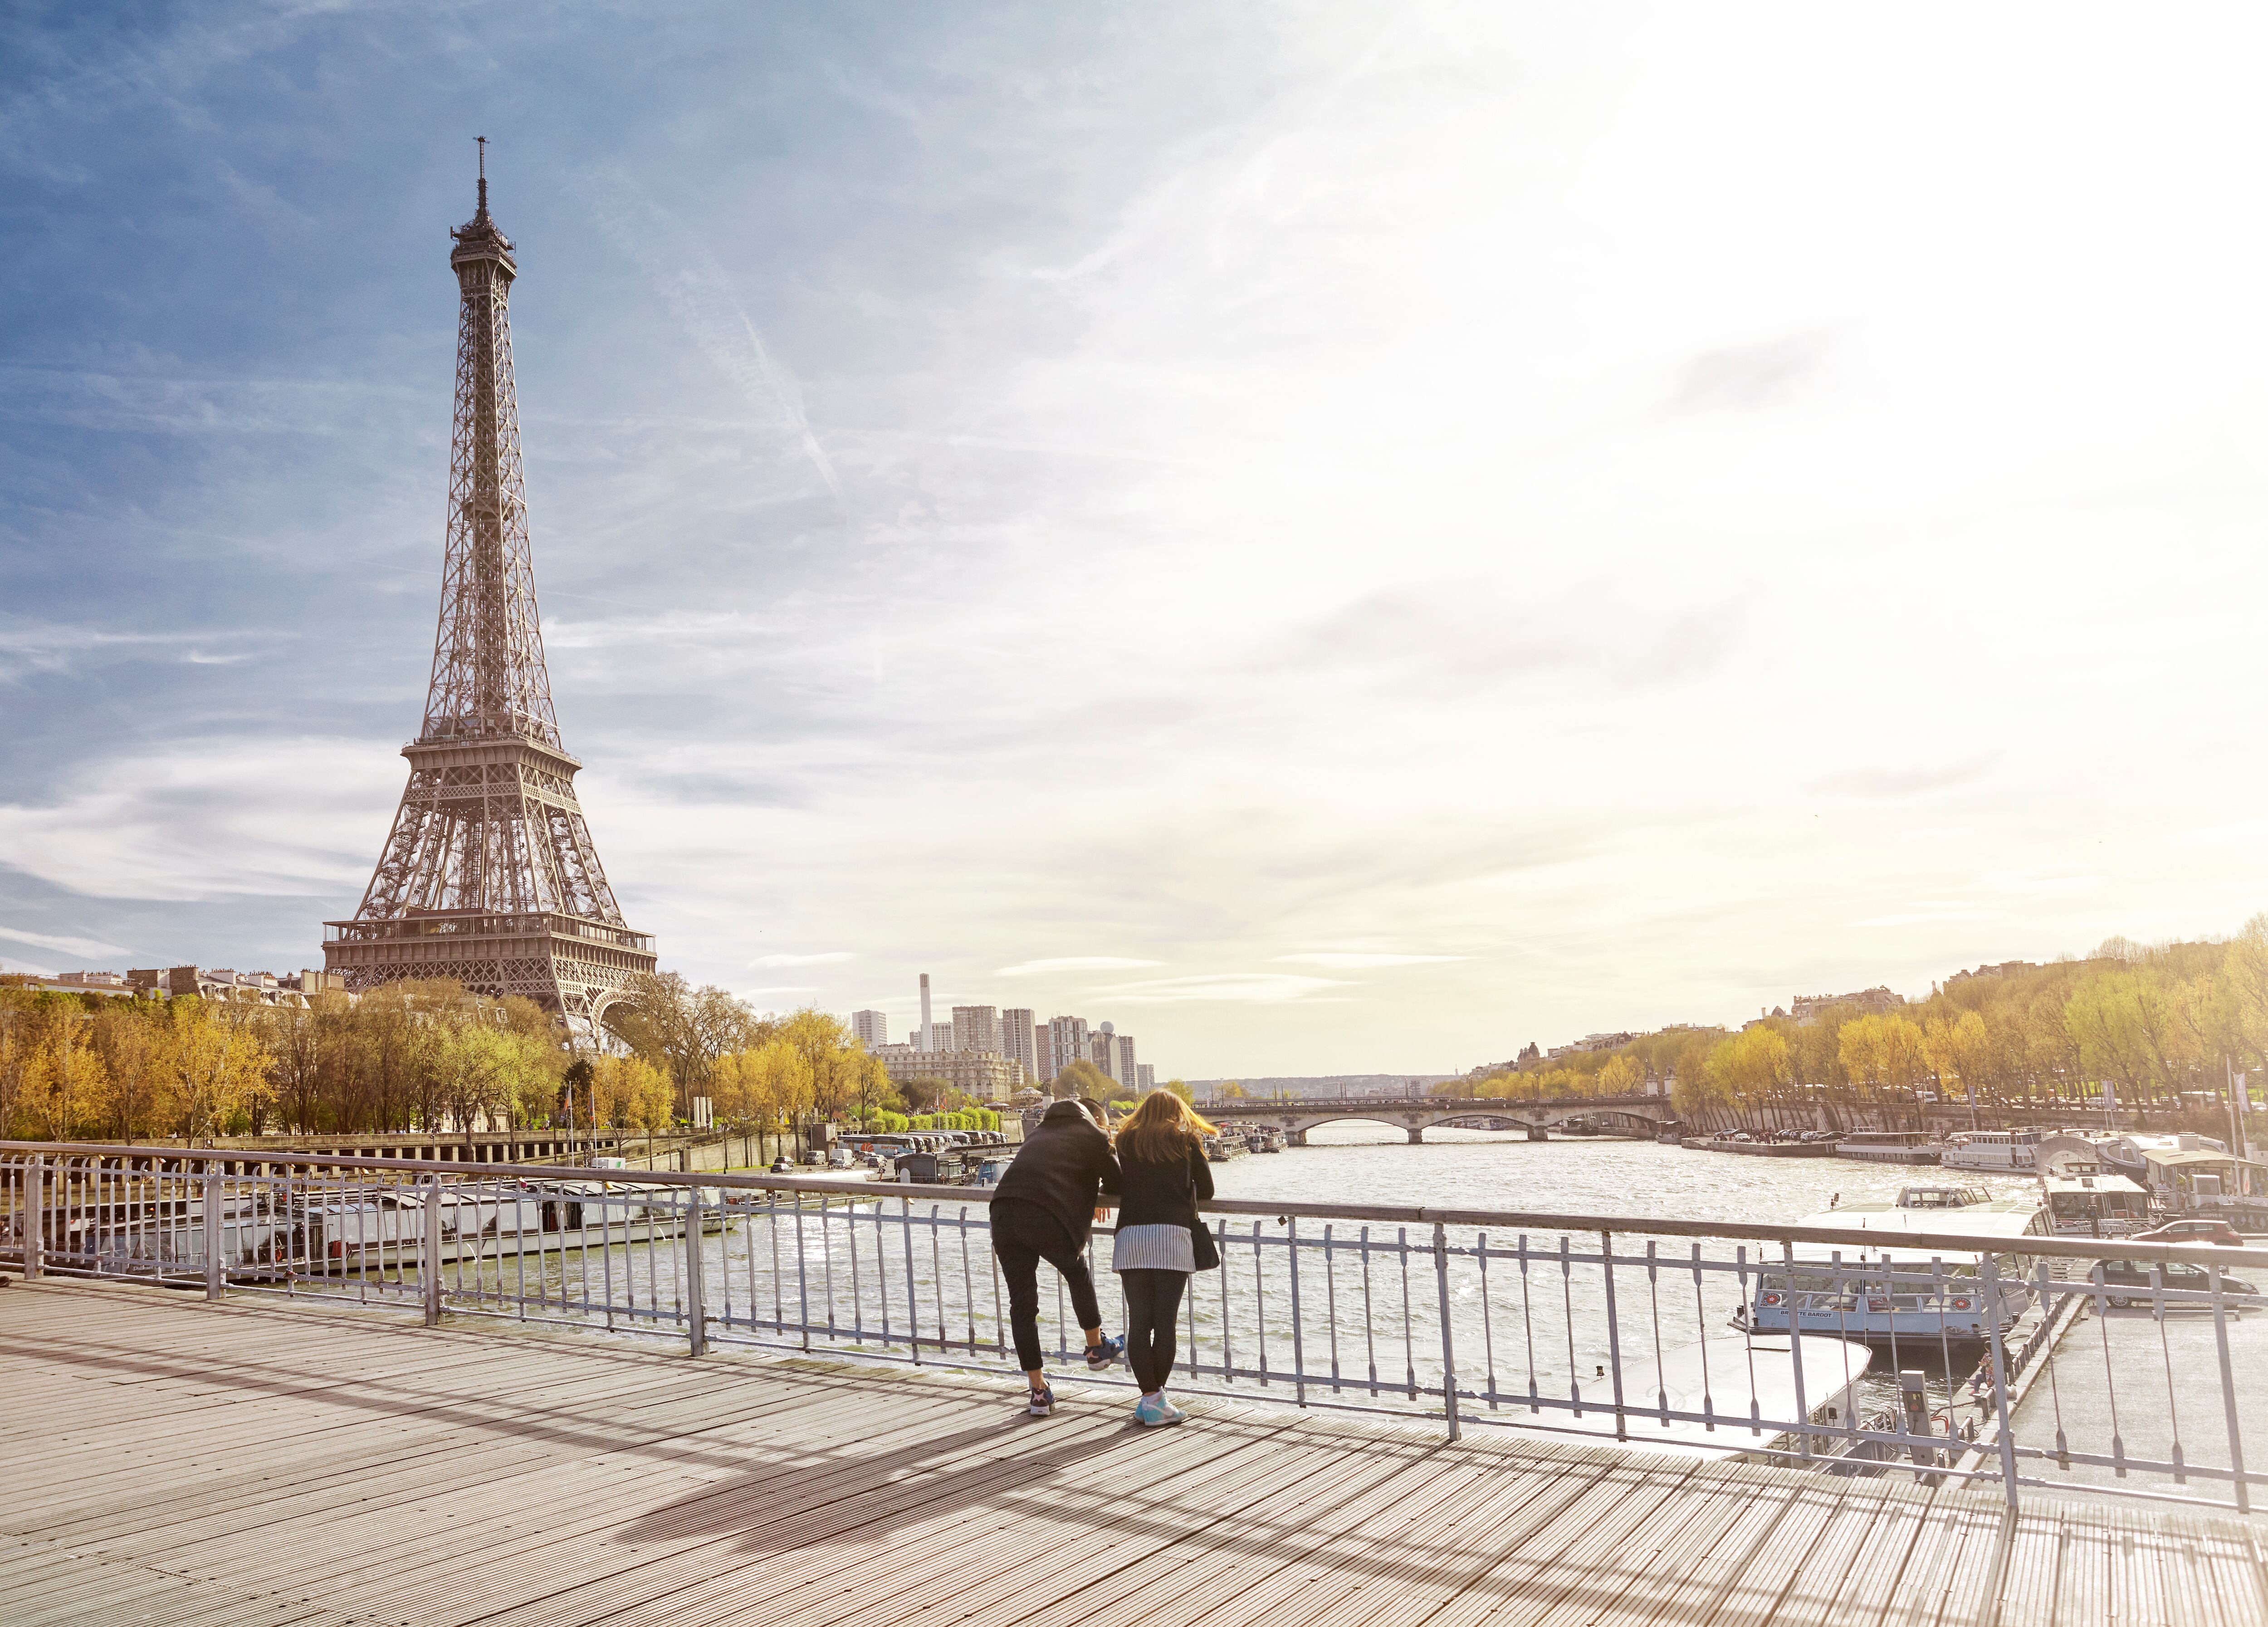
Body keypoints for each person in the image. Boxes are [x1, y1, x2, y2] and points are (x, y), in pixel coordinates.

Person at [991, 1097, 1124, 1415]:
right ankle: (1096, 1348)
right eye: (1105, 1125)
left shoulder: (1038, 1133)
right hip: (1045, 1214)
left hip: (1004, 1212)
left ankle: (1038, 1392)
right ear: (1095, 1120)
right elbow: (1119, 1183)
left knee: (1022, 1305)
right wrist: (1097, 1191)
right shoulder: (1095, 1135)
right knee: (1076, 1272)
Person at [1107, 1091, 1218, 1426]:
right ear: (1178, 1112)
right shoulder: (1186, 1140)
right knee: (1165, 1323)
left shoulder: (1125, 1140)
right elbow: (1208, 1190)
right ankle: (1156, 1402)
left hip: (1132, 1237)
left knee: (1140, 1322)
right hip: (1171, 1235)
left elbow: (1116, 1183)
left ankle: (1150, 1399)